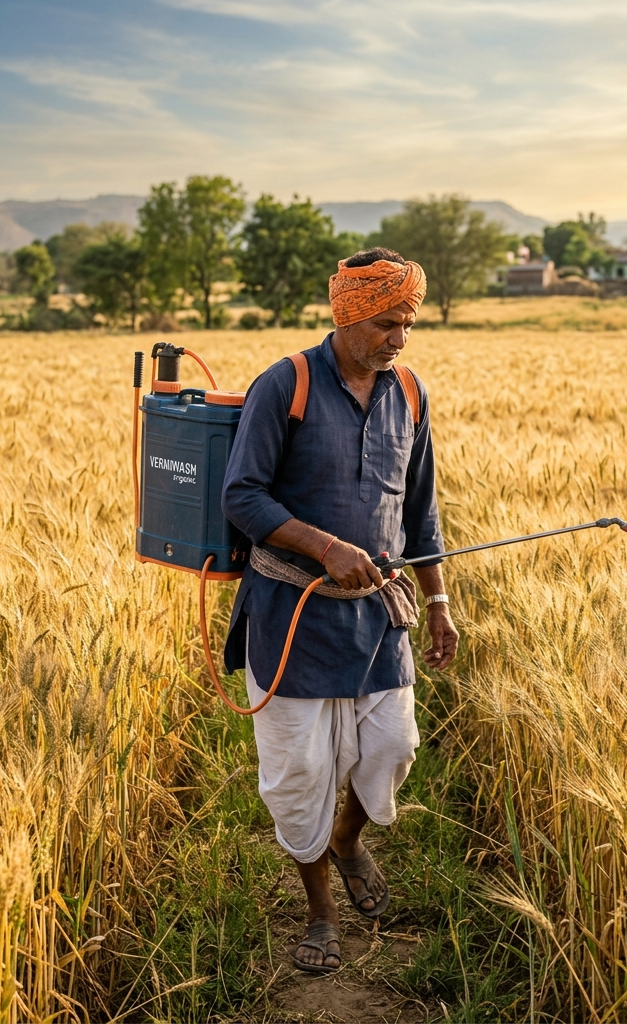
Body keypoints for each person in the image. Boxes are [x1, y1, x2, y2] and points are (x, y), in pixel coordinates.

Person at [221, 247, 459, 973]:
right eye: (388, 322)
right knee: (301, 775)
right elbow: (243, 496)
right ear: (350, 316)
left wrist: (439, 601)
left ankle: (350, 840)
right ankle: (320, 911)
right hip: (290, 613)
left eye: (408, 323)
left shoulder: (410, 394)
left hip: (377, 617)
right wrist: (323, 546)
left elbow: (422, 513)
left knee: (393, 748)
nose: (400, 338)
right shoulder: (285, 385)